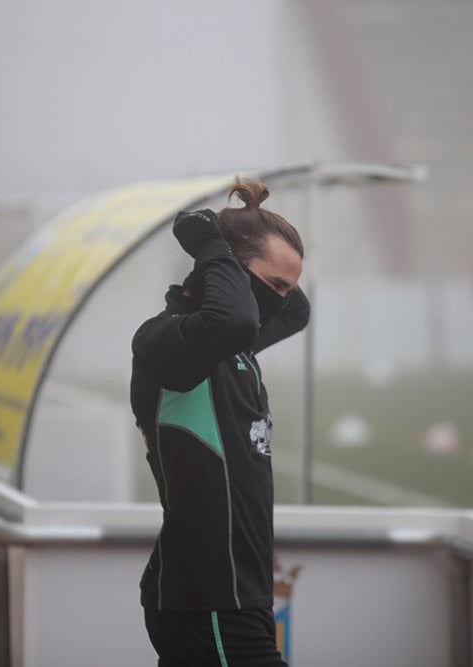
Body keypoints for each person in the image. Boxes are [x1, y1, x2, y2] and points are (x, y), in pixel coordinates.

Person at [130, 176, 309, 666]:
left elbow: (296, 313)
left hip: (236, 598)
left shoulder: (238, 347)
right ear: (226, 272)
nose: (279, 300)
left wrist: (237, 248)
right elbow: (233, 318)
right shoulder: (164, 344)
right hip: (209, 600)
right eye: (273, 285)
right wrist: (211, 244)